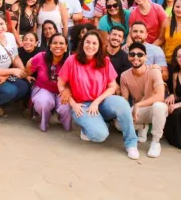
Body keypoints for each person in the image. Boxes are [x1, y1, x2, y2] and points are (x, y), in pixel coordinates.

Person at [57, 30, 140, 159]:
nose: (91, 46)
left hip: (101, 102)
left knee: (122, 104)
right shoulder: (72, 60)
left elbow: (112, 87)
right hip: (81, 105)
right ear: (82, 43)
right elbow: (61, 84)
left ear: (99, 45)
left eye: (94, 43)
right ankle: (87, 128)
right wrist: (73, 104)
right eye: (88, 42)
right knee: (100, 135)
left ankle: (131, 144)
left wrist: (96, 102)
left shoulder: (105, 61)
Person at [120, 42, 167, 158]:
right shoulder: (124, 76)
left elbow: (160, 96)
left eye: (140, 55)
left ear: (146, 57)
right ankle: (143, 126)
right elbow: (125, 100)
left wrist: (138, 105)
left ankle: (156, 142)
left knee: (159, 106)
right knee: (118, 123)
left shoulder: (154, 71)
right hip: (139, 112)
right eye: (132, 54)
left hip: (153, 109)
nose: (136, 57)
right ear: (128, 57)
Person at [25, 33, 71, 131]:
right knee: (43, 102)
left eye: (61, 43)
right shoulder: (40, 56)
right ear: (50, 46)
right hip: (43, 89)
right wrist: (28, 67)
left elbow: (74, 81)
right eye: (54, 43)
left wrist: (68, 89)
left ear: (66, 47)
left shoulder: (70, 61)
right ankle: (44, 120)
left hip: (62, 91)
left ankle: (62, 118)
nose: (58, 46)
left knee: (65, 110)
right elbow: (27, 73)